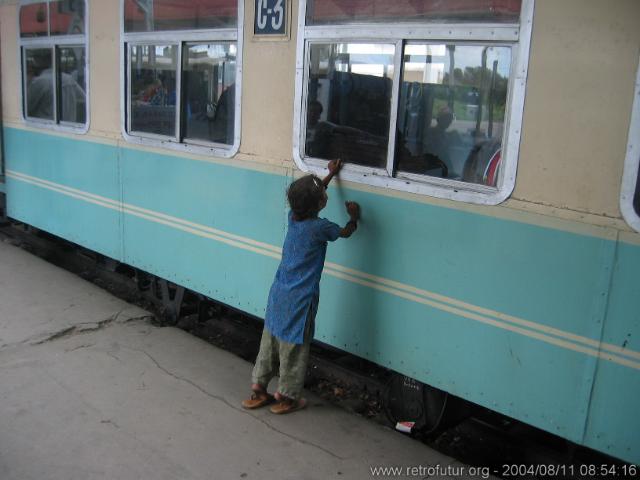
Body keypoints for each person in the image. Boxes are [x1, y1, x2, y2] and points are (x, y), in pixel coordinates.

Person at [242, 159, 360, 414]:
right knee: (294, 348)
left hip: (278, 294)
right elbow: (345, 233)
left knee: (270, 341)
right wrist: (354, 219)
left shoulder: (293, 218)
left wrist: (329, 176)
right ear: (320, 203)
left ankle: (258, 390)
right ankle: (287, 397)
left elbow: (310, 199)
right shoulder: (321, 228)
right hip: (301, 300)